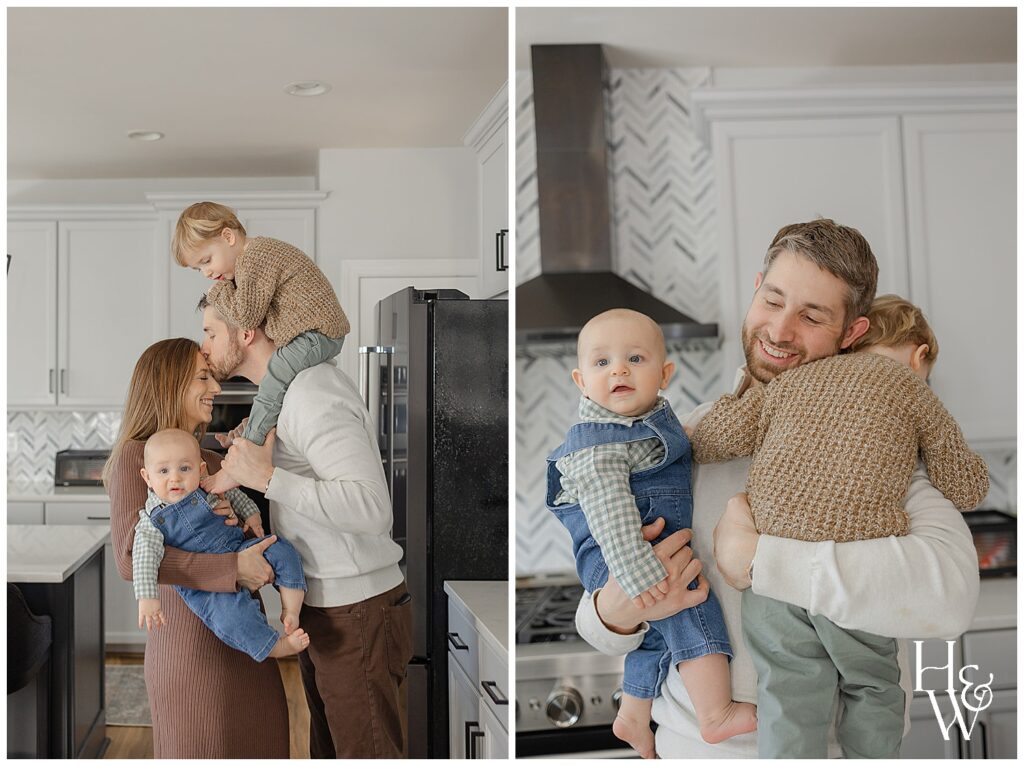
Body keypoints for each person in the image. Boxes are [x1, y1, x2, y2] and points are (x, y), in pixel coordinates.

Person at [574, 219, 981, 758]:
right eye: (773, 300)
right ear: (757, 289)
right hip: (691, 747)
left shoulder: (882, 448)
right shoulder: (680, 438)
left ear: (852, 333)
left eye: (812, 316)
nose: (780, 330)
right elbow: (594, 619)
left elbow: (950, 597)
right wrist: (617, 608)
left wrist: (762, 561)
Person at [690, 294, 989, 757]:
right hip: (859, 585)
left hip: (771, 589)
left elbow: (712, 438)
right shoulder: (912, 391)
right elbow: (966, 485)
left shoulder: (792, 384)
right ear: (919, 355)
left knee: (786, 692)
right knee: (873, 687)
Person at [197, 294, 413, 758]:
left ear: (246, 333)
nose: (205, 345)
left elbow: (373, 508)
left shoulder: (312, 391)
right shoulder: (282, 395)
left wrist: (268, 479)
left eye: (211, 332)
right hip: (329, 603)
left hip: (356, 607)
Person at [547, 308, 755, 757]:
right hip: (627, 552)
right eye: (601, 363)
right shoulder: (601, 443)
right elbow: (611, 514)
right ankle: (714, 713)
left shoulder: (657, 428)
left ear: (664, 374)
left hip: (639, 553)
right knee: (692, 608)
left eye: (634, 359)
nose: (618, 369)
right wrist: (641, 580)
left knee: (660, 629)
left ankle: (633, 712)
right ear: (581, 382)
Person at [102, 338, 289, 758]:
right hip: (193, 654)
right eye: (203, 378)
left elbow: (251, 529)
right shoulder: (138, 458)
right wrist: (233, 568)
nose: (217, 389)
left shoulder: (210, 461)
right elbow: (131, 559)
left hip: (249, 641)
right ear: (169, 385)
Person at [171, 200, 350, 493]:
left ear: (228, 237)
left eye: (206, 261)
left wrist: (217, 291)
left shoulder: (255, 256)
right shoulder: (251, 261)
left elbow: (246, 316)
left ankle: (249, 447)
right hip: (312, 334)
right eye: (197, 269)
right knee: (276, 385)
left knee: (277, 374)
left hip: (317, 333)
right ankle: (248, 435)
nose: (205, 273)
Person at [134, 428, 311, 660]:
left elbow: (236, 495)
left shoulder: (206, 487)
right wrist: (147, 597)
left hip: (239, 549)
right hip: (207, 589)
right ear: (147, 477)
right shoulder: (152, 520)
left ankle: (291, 609)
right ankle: (275, 647)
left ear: (200, 470)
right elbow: (143, 557)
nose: (175, 478)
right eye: (164, 471)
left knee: (281, 550)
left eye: (184, 469)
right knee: (231, 617)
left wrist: (251, 515)